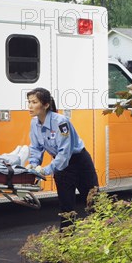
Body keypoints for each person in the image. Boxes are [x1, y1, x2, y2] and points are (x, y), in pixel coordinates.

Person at [25, 87, 99, 231]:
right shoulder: (34, 123)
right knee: (66, 208)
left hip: (79, 163)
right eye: (29, 102)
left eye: (34, 102)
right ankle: (66, 245)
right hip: (61, 166)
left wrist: (46, 170)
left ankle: (106, 240)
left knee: (93, 203)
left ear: (46, 105)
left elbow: (64, 152)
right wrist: (33, 166)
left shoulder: (61, 122)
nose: (30, 106)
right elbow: (35, 147)